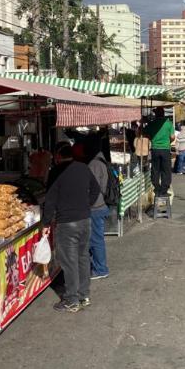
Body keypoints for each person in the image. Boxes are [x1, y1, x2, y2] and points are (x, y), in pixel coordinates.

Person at [41, 142, 100, 313]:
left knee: (69, 261)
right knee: (82, 257)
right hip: (84, 220)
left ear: (58, 156)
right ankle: (84, 295)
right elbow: (96, 190)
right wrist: (86, 206)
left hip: (66, 223)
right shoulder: (83, 168)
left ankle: (72, 299)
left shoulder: (56, 172)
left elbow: (50, 200)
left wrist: (46, 223)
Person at [86, 134, 110, 281]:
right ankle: (98, 267)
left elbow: (93, 188)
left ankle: (100, 269)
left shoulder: (94, 164)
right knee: (96, 239)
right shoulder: (100, 160)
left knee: (95, 240)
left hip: (95, 207)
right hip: (100, 205)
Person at [144, 108, 175, 197]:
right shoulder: (168, 123)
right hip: (165, 149)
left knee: (155, 169)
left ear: (156, 114)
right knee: (166, 170)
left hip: (155, 149)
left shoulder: (152, 123)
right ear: (163, 113)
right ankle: (164, 190)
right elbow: (172, 137)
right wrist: (167, 141)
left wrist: (153, 138)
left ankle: (157, 188)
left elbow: (145, 134)